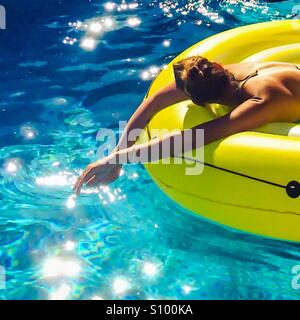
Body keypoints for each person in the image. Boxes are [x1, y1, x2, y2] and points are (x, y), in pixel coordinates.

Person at [74, 56, 300, 195]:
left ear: (198, 102)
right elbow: (155, 101)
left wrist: (115, 159)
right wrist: (117, 155)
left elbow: (190, 139)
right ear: (218, 66)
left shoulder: (261, 101)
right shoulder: (231, 72)